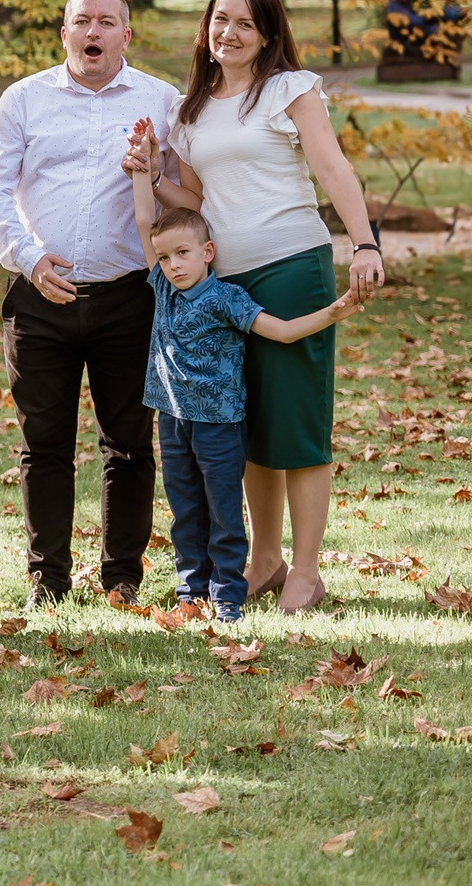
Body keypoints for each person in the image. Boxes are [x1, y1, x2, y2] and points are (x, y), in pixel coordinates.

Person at [144, 0, 385, 615]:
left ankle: (306, 571)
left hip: (291, 267)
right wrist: (148, 174)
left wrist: (365, 244)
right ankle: (266, 560)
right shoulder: (188, 110)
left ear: (269, 36)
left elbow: (332, 168)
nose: (229, 32)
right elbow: (194, 202)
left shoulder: (289, 90)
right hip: (226, 283)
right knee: (243, 421)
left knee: (297, 424)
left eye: (246, 24)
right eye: (220, 19)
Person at [0, 0, 182, 608]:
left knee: (129, 444)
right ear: (65, 34)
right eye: (82, 21)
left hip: (130, 298)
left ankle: (121, 578)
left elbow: (189, 193)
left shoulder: (160, 102)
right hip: (40, 298)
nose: (94, 32)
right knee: (44, 447)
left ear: (126, 35)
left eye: (107, 22)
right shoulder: (24, 99)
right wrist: (30, 260)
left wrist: (155, 172)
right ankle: (48, 580)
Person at [127, 153, 361, 621]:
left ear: (207, 253)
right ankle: (190, 592)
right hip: (174, 420)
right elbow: (142, 218)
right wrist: (140, 168)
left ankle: (228, 595)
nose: (173, 265)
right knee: (185, 511)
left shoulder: (228, 299)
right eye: (167, 256)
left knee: (224, 513)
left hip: (219, 424)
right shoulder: (161, 286)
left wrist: (335, 312)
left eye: (184, 254)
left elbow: (283, 331)